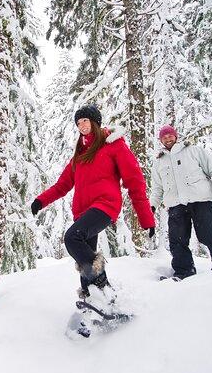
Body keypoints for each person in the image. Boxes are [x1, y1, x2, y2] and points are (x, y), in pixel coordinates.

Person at [31, 105, 155, 299]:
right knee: (84, 255)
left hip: (105, 206)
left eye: (85, 120)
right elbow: (61, 186)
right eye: (78, 123)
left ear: (95, 121)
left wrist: (146, 219)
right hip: (83, 211)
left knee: (72, 238)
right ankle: (93, 304)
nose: (81, 125)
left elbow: (135, 182)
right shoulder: (79, 156)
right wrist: (40, 201)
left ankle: (103, 285)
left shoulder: (114, 145)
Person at [150, 125, 212, 279]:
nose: (167, 138)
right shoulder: (159, 161)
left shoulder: (194, 151)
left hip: (200, 201)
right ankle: (184, 272)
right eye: (164, 137)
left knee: (206, 235)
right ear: (161, 140)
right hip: (176, 205)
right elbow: (157, 188)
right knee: (177, 240)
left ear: (176, 136)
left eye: (170, 135)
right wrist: (152, 206)